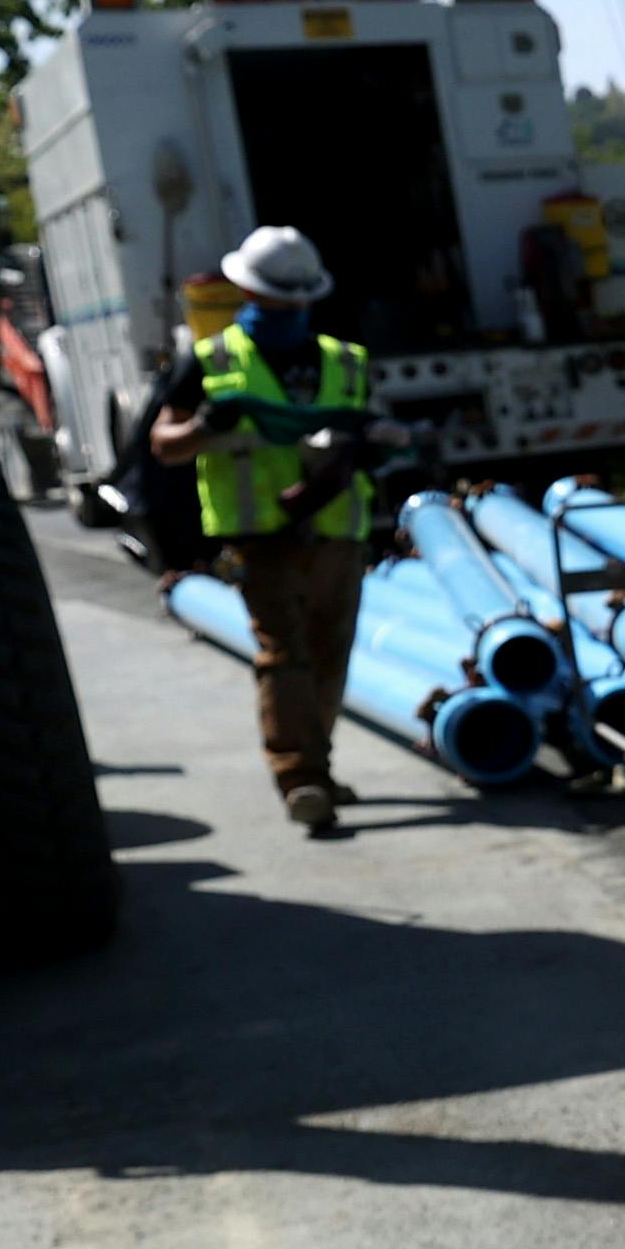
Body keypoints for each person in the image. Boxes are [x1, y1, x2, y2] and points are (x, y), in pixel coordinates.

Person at [148, 224, 382, 836]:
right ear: (250, 293)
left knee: (329, 656)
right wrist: (203, 425)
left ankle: (317, 768)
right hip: (260, 533)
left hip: (335, 526)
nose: (287, 308)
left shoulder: (343, 360)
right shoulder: (210, 362)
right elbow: (163, 445)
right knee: (285, 655)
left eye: (294, 298)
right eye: (278, 296)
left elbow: (374, 428)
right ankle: (300, 778)